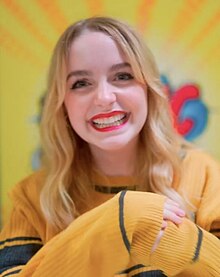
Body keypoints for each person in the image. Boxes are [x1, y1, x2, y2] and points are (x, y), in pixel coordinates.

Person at [0, 16, 220, 277]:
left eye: (123, 76)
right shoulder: (33, 197)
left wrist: (169, 238)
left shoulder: (202, 173)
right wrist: (118, 221)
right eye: (81, 83)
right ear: (63, 104)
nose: (104, 98)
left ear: (148, 89)